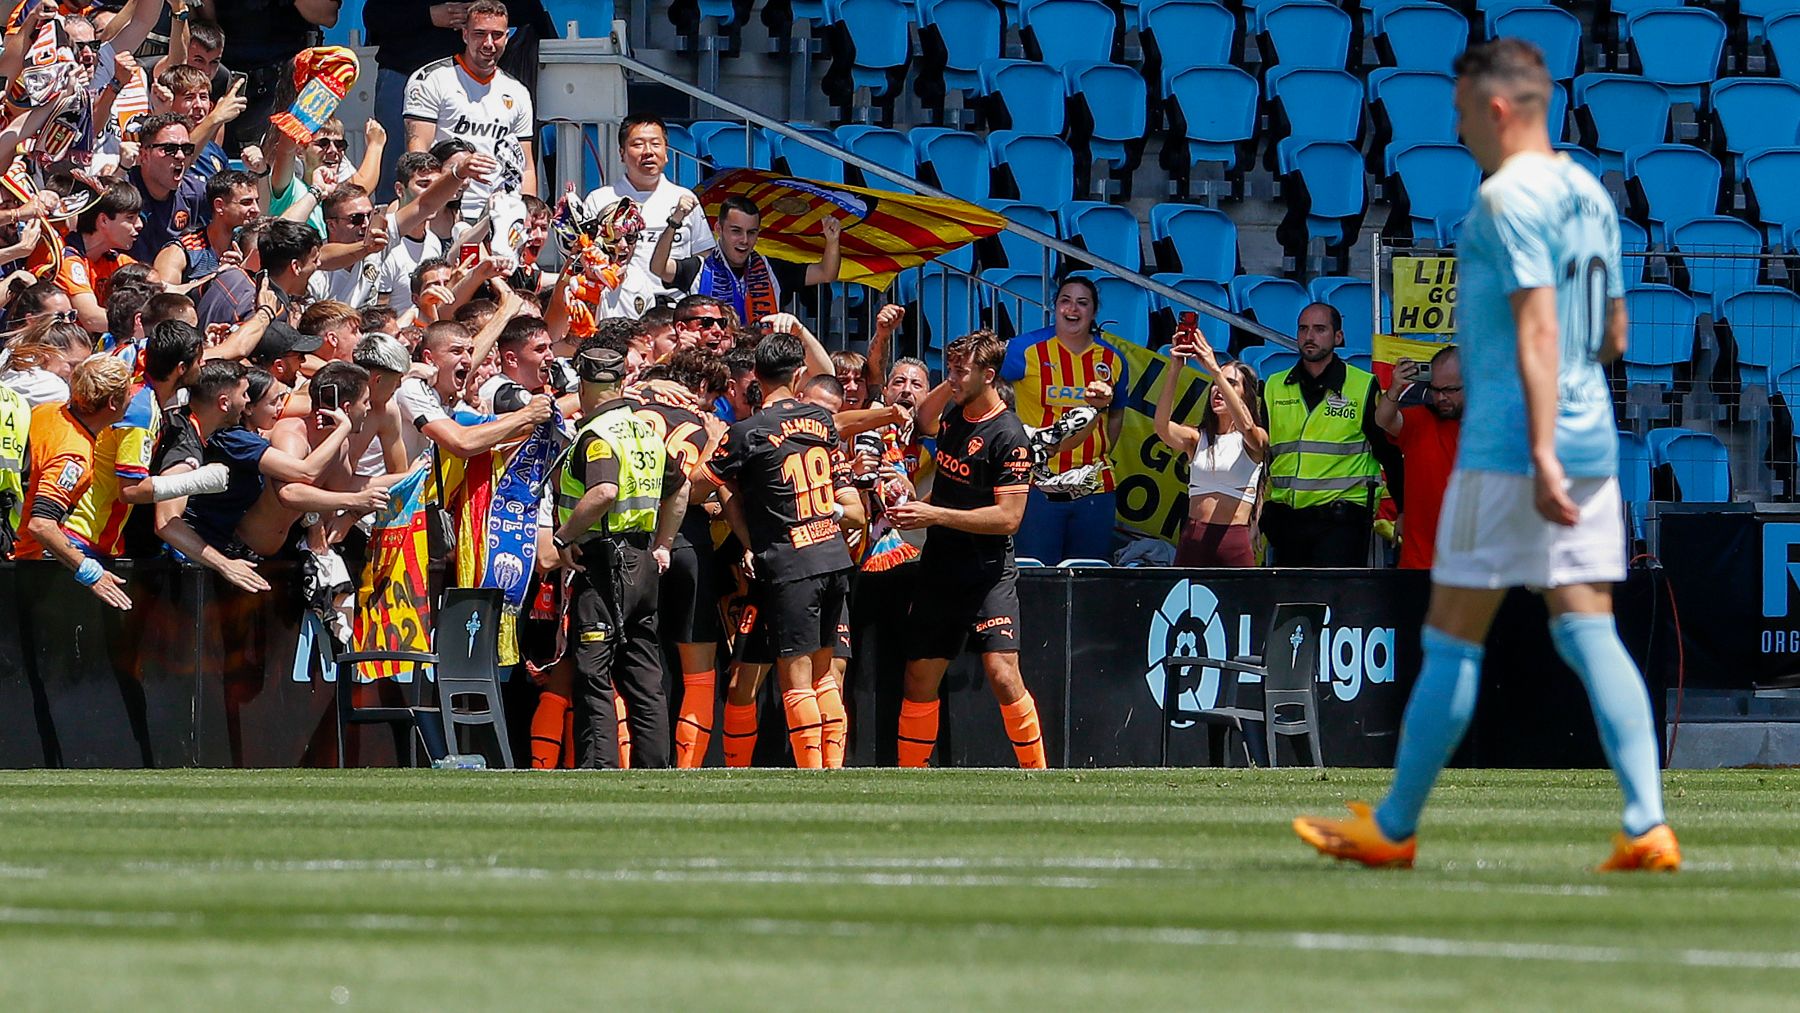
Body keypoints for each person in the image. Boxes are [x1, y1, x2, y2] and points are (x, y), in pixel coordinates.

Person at [1294, 39, 1678, 872]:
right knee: (1589, 633)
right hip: (1590, 439)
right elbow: (1612, 332)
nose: (1459, 128)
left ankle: (1394, 827)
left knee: (1454, 641)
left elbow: (1538, 326)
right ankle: (1647, 821)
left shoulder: (1505, 202)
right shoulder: (1590, 193)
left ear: (1499, 110)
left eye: (1465, 113)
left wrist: (1535, 448)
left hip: (1513, 448)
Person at [694, 333, 865, 769]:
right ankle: (833, 768)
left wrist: (722, 461)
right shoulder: (822, 423)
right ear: (799, 375)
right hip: (833, 554)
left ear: (757, 377)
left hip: (790, 561)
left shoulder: (746, 432)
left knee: (797, 676)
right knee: (826, 673)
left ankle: (811, 775)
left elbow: (697, 487)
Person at [890, 330, 1044, 769]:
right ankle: (909, 778)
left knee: (1001, 672)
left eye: (961, 371)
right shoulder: (955, 414)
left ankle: (1039, 775)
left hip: (987, 570)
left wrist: (934, 515)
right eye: (951, 369)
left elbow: (1009, 518)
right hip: (942, 565)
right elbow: (921, 420)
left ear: (989, 376)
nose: (952, 378)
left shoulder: (1009, 435)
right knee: (920, 675)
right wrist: (956, 376)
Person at [550, 346, 687, 769]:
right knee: (644, 675)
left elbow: (604, 492)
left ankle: (602, 768)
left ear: (584, 385)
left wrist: (563, 534)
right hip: (643, 561)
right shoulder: (645, 431)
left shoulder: (597, 435)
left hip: (605, 561)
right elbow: (679, 488)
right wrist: (663, 543)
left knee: (593, 670)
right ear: (622, 382)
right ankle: (655, 767)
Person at [637, 347, 727, 767]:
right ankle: (688, 769)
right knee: (698, 666)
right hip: (687, 540)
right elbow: (699, 488)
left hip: (635, 536)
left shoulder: (633, 405)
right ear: (703, 387)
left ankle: (627, 762)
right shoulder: (703, 423)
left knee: (633, 659)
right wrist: (712, 439)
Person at [1259, 303, 1400, 567]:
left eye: (1320, 329)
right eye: (1303, 329)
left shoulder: (1362, 384)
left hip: (1342, 522)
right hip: (1287, 522)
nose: (1309, 336)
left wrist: (1402, 510)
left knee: (1335, 604)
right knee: (1291, 605)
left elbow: (1388, 452)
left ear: (1338, 337)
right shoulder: (1273, 386)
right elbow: (1260, 456)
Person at [1000, 276, 1126, 565]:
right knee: (1035, 577)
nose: (1073, 309)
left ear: (1094, 312)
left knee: (1088, 579)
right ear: (1054, 307)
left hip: (1094, 486)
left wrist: (1099, 451)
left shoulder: (1113, 359)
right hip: (1037, 485)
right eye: (1065, 300)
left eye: (1083, 303)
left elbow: (1117, 414)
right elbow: (988, 386)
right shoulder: (1023, 351)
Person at [12, 356, 134, 610]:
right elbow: (42, 524)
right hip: (17, 563)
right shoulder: (73, 455)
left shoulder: (50, 410)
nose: (133, 397)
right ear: (113, 402)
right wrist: (91, 573)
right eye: (128, 391)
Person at [402, 0, 537, 222]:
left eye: (497, 35)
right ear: (464, 34)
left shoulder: (518, 91)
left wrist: (527, 215)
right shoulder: (431, 80)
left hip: (500, 215)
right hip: (446, 212)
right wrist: (429, 213)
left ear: (507, 37)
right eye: (479, 34)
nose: (489, 43)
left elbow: (527, 167)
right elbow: (418, 158)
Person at [1153, 335, 1267, 567]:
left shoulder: (1256, 437)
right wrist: (1175, 369)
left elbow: (1247, 427)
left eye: (1230, 383)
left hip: (1233, 541)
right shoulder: (1197, 437)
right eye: (1215, 384)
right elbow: (1162, 427)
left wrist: (1215, 369)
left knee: (1240, 604)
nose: (1218, 389)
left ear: (1246, 395)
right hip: (1193, 539)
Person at [656, 195, 841, 323]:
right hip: (714, 365)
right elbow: (659, 267)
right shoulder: (698, 267)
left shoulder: (771, 269)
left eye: (751, 233)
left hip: (759, 366)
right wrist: (675, 222)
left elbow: (826, 274)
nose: (744, 240)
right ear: (719, 229)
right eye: (736, 231)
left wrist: (832, 241)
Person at [593, 115, 713, 295]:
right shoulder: (600, 200)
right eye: (638, 144)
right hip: (617, 307)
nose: (648, 151)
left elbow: (704, 256)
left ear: (666, 153)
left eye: (656, 144)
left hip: (673, 310)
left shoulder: (685, 198)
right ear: (622, 153)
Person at [1377, 346, 1464, 571]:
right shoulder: (1420, 420)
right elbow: (1383, 419)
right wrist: (1395, 389)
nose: (1441, 398)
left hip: (1473, 569)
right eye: (1434, 389)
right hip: (1419, 564)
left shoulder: (1491, 427)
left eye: (1450, 390)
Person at [126, 113, 209, 262]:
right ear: (144, 155)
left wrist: (261, 172)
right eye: (169, 149)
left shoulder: (194, 193)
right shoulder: (125, 189)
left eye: (186, 148)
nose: (180, 156)